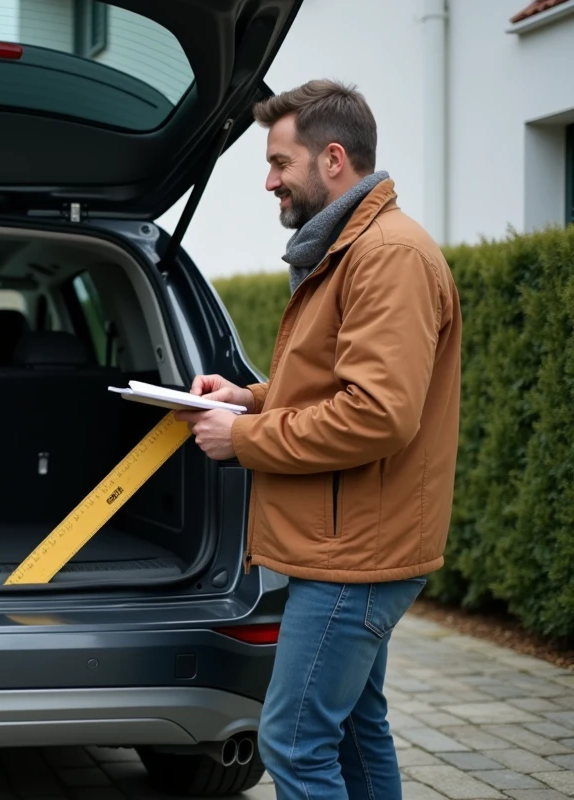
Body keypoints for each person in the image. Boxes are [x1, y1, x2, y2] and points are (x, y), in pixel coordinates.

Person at [173, 79, 462, 800]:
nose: (269, 180)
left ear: (333, 159)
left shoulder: (387, 257)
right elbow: (334, 386)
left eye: (278, 162)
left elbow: (377, 414)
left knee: (295, 746)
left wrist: (246, 437)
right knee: (358, 738)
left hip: (354, 558)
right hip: (350, 545)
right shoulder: (348, 249)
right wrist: (250, 397)